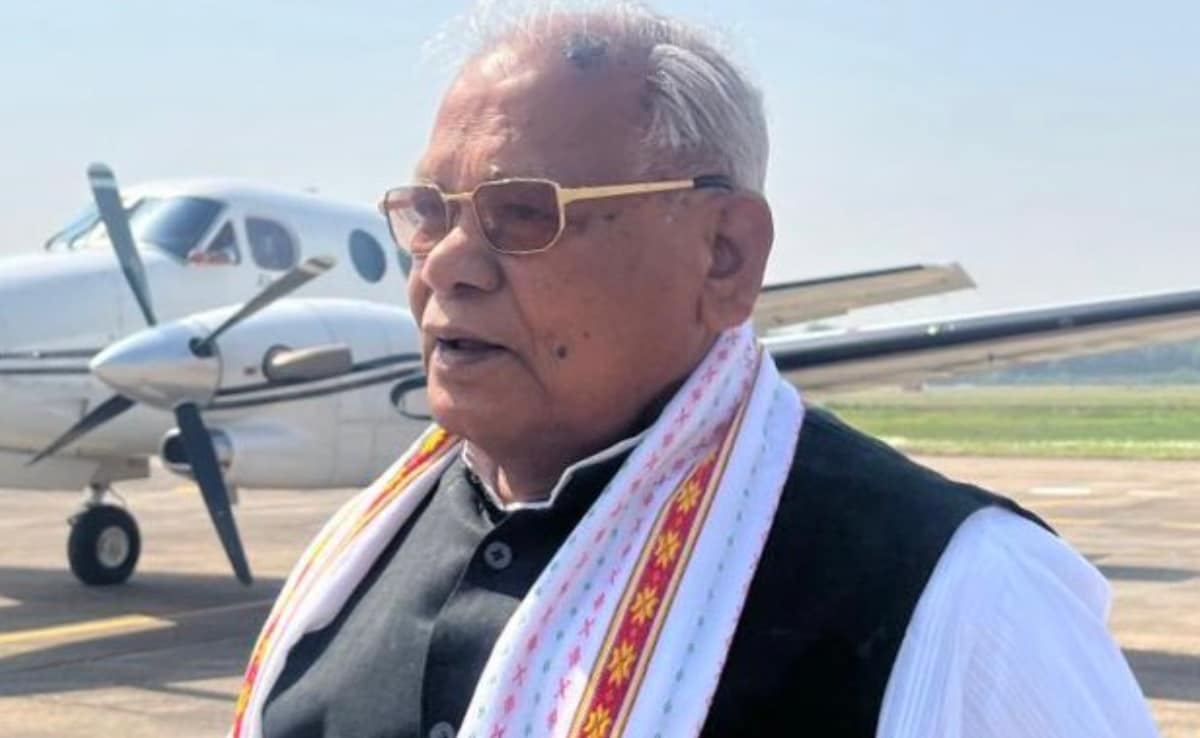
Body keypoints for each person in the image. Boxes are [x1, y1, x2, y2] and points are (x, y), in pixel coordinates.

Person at [231, 5, 1160, 737]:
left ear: (725, 256)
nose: (446, 265)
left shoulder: (966, 598)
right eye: (429, 212)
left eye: (525, 212)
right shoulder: (356, 561)